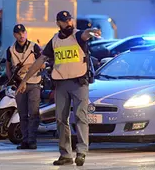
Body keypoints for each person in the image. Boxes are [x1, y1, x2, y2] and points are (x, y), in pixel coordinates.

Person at [16, 11, 101, 166]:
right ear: (58, 23)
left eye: (69, 20)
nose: (68, 23)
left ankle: (81, 152)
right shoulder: (54, 41)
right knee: (61, 119)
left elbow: (86, 34)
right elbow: (39, 61)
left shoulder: (77, 35)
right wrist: (24, 81)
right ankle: (66, 155)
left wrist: (92, 31)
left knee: (81, 117)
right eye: (64, 21)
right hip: (61, 84)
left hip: (79, 83)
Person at [6, 24, 43, 149]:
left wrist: (28, 67)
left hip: (34, 83)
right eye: (18, 33)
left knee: (33, 113)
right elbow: (8, 67)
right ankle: (25, 140)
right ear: (14, 35)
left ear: (26, 33)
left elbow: (42, 64)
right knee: (22, 114)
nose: (21, 35)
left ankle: (32, 141)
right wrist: (12, 80)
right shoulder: (10, 50)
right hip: (19, 85)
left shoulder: (34, 47)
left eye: (23, 32)